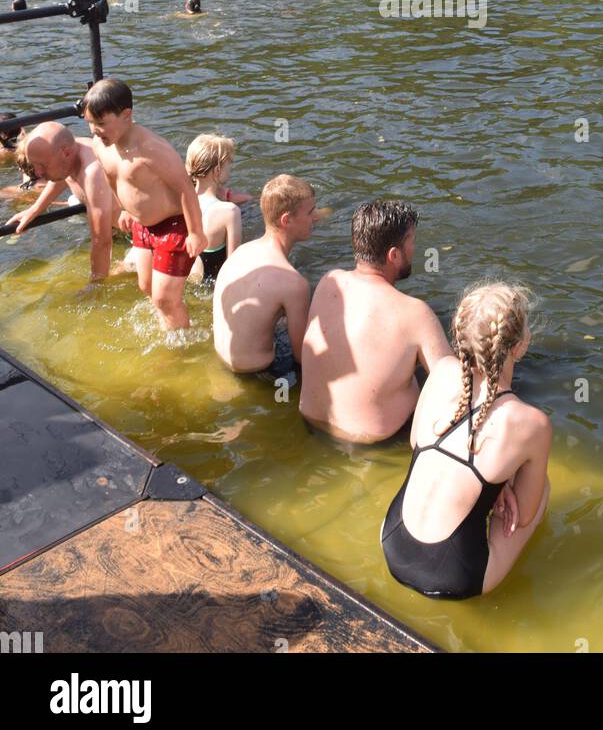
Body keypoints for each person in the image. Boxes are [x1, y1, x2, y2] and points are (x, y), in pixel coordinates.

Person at [381, 282, 551, 600]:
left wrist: (491, 485)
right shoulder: (531, 423)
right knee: (541, 493)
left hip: (392, 544)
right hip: (453, 579)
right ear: (518, 346)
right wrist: (503, 487)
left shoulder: (441, 371)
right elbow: (525, 515)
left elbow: (416, 445)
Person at [300, 201, 451, 445]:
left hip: (311, 423)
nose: (414, 249)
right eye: (411, 241)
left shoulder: (330, 281)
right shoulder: (415, 312)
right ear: (394, 254)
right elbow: (454, 388)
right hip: (375, 445)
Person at [82, 78, 205, 331]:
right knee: (146, 287)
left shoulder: (151, 149)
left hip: (174, 224)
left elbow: (185, 187)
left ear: (126, 115)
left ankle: (180, 349)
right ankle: (171, 321)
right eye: (90, 123)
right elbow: (111, 176)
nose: (95, 130)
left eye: (101, 123)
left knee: (164, 298)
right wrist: (124, 208)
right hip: (142, 225)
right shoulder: (100, 145)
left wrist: (195, 232)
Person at [212, 174, 317, 378]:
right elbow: (302, 357)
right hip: (260, 374)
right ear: (286, 220)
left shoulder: (241, 252)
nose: (315, 218)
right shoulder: (294, 283)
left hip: (223, 359)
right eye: (311, 212)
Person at [12, 123, 119, 281]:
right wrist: (34, 210)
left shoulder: (93, 173)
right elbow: (59, 178)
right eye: (35, 165)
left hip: (141, 229)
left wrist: (96, 284)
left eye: (42, 166)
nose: (38, 173)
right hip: (109, 216)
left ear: (66, 153)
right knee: (74, 201)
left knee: (119, 273)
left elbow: (101, 240)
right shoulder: (69, 152)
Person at [185, 135, 242, 288]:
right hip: (210, 288)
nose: (230, 169)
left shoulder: (179, 202)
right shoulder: (229, 212)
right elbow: (232, 267)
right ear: (217, 170)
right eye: (229, 164)